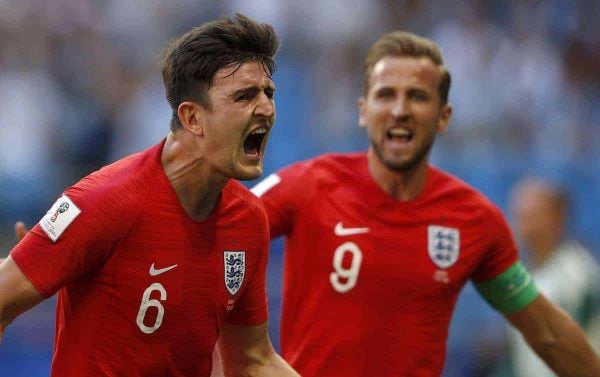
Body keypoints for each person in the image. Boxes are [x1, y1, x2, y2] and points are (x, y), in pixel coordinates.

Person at [250, 31, 600, 376]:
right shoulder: (307, 185)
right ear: (363, 110)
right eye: (386, 95)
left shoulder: (474, 220)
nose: (400, 110)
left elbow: (548, 332)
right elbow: (221, 228)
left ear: (443, 116)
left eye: (417, 96)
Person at [0, 14, 299, 377]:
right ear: (192, 118)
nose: (266, 108)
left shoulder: (249, 220)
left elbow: (252, 359)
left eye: (268, 93)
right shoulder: (106, 201)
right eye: (244, 96)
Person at [494, 177, 600, 377]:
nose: (519, 223)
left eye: (529, 215)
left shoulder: (577, 275)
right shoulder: (520, 277)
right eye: (517, 215)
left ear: (556, 216)